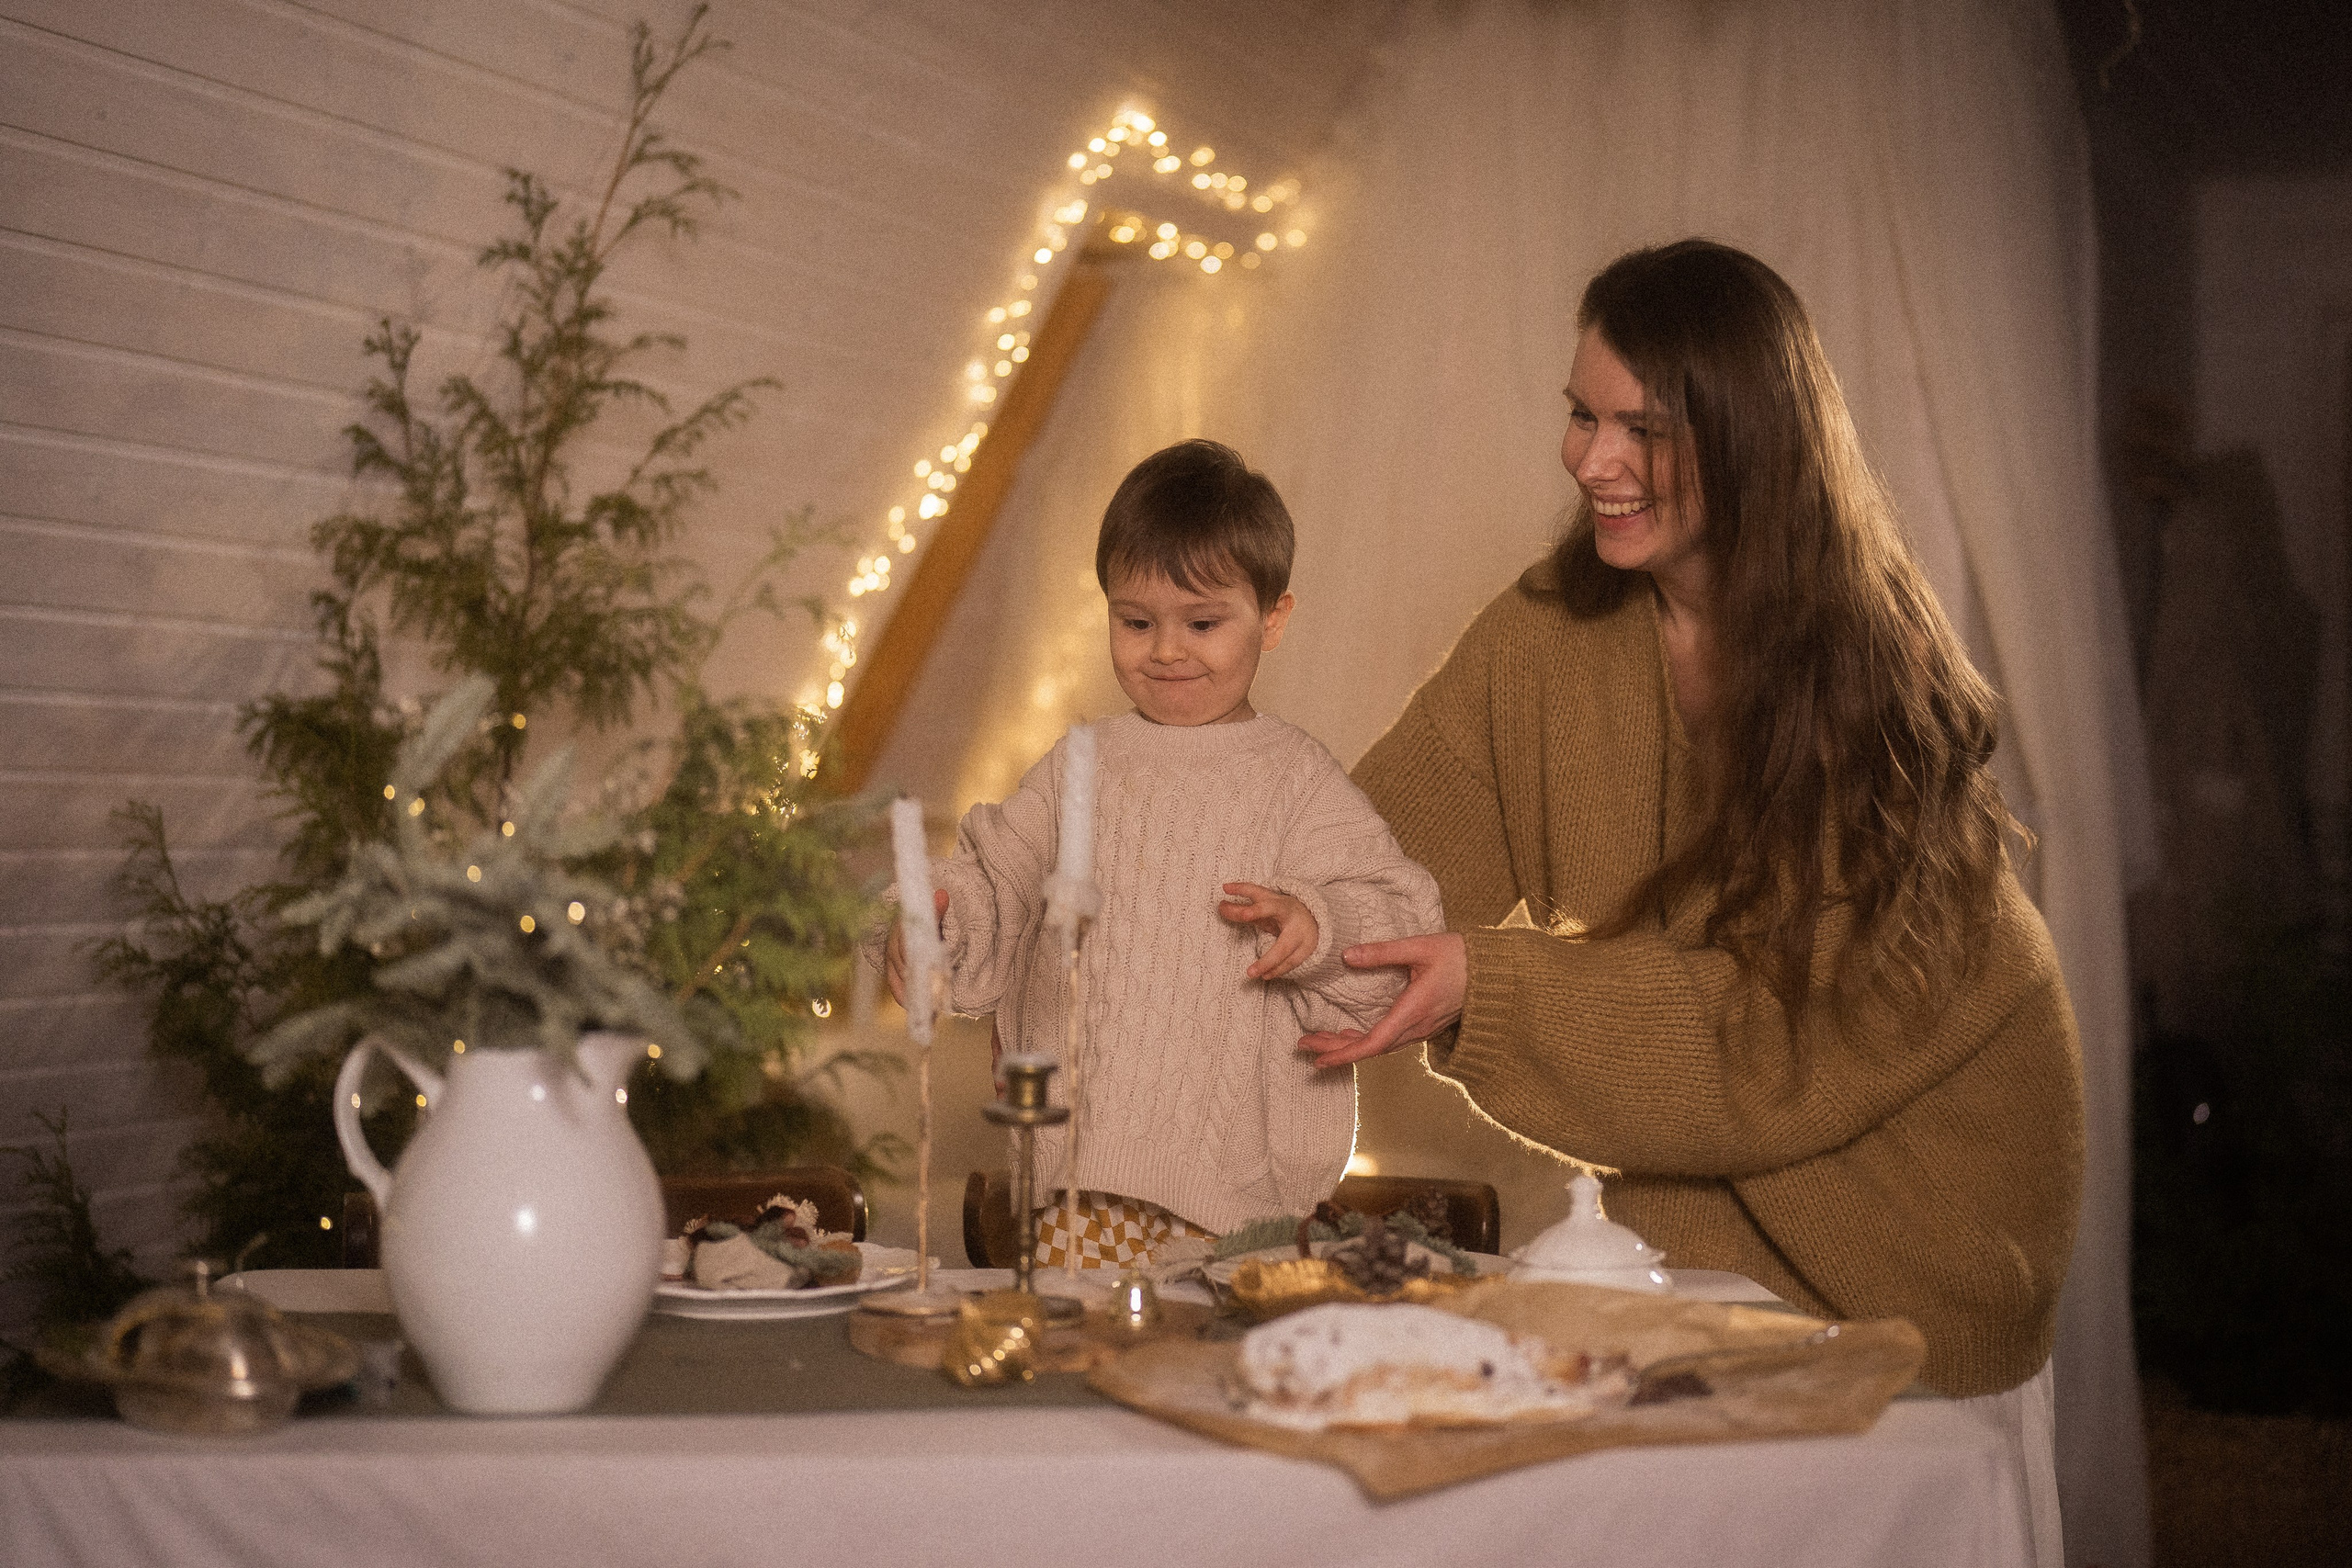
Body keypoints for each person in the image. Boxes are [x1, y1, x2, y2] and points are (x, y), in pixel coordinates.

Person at [1317, 241, 2084, 1398]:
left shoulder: (1878, 678)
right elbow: (1365, 867)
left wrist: (1490, 983)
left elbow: (1772, 1040)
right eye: (1582, 415)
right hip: (1694, 1229)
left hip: (1917, 1249)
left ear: (1753, 441)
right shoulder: (1545, 635)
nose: (1594, 460)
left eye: (1645, 430)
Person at [885, 439, 1442, 1269]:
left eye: (1203, 623)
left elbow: (1400, 916)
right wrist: (939, 916)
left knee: (1208, 1368)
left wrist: (1316, 924)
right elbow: (995, 878)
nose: (1167, 650)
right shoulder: (1080, 765)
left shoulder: (1297, 780)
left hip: (1240, 1193)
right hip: (1082, 1174)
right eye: (1136, 622)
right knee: (1085, 1365)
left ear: (1274, 618)